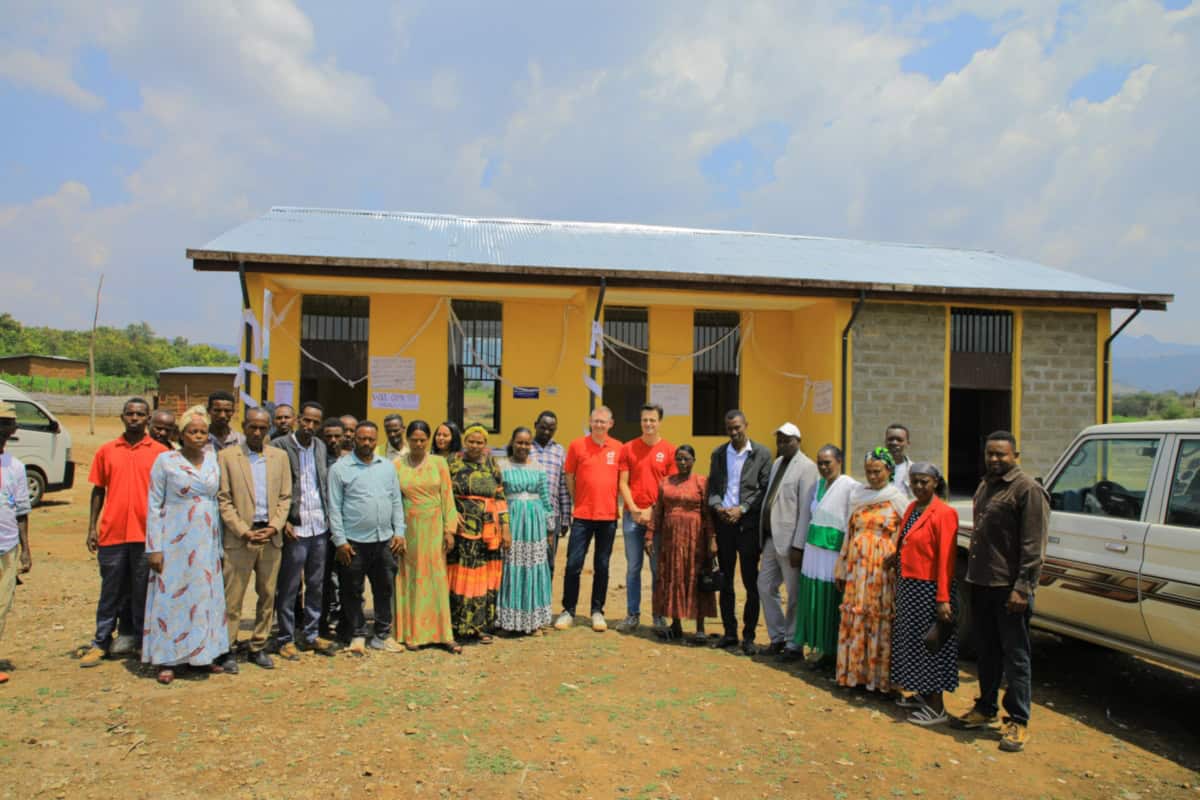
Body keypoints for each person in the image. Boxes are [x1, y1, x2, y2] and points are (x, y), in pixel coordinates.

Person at [955, 431, 1049, 753]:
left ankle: (1018, 721)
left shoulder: (1028, 490)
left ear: (1015, 455)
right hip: (981, 583)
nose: (995, 459)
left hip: (1009, 589)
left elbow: (1034, 547)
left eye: (1001, 455)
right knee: (987, 652)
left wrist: (1023, 587)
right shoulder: (985, 485)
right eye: (990, 454)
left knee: (1016, 657)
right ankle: (985, 708)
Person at [142, 407, 228, 684]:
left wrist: (221, 545)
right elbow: (154, 504)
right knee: (173, 596)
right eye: (193, 432)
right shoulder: (166, 461)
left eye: (203, 432)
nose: (199, 436)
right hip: (174, 539)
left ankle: (203, 655)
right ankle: (168, 659)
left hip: (206, 538)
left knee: (203, 596)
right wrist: (154, 547)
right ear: (182, 435)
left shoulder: (214, 460)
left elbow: (219, 501)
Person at [80, 397, 168, 667]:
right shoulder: (107, 451)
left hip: (146, 536)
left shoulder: (160, 453)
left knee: (143, 593)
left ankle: (143, 644)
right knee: (111, 591)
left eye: (140, 414)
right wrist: (92, 527)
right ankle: (101, 642)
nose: (134, 418)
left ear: (148, 418)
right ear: (122, 417)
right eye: (130, 414)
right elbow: (99, 490)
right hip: (113, 534)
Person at [216, 407, 292, 672]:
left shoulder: (279, 457)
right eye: (252, 427)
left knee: (267, 595)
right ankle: (227, 647)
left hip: (270, 537)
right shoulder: (227, 457)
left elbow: (285, 498)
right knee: (232, 598)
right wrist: (242, 530)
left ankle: (258, 645)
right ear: (244, 426)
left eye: (262, 427)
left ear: (269, 427)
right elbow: (223, 499)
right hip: (240, 539)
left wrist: (274, 527)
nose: (257, 432)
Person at [889, 462, 960, 725]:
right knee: (913, 644)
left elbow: (946, 560)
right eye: (914, 481)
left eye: (924, 482)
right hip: (909, 587)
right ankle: (921, 693)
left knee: (931, 646)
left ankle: (936, 708)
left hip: (930, 590)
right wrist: (894, 558)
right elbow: (906, 542)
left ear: (935, 483)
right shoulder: (911, 508)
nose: (918, 486)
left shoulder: (944, 513)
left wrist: (943, 598)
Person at [328, 421, 406, 654]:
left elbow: (395, 501)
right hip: (353, 543)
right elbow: (334, 507)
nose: (366, 443)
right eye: (362, 438)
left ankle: (382, 634)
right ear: (354, 440)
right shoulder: (340, 468)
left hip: (384, 541)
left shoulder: (387, 466)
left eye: (371, 439)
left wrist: (399, 532)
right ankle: (357, 634)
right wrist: (340, 541)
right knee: (352, 590)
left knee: (384, 589)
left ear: (376, 440)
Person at [834, 447, 908, 692]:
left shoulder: (896, 498)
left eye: (877, 471)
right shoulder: (858, 496)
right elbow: (849, 532)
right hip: (857, 568)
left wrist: (896, 555)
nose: (873, 477)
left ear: (888, 470)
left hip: (881, 571)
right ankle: (854, 675)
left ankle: (878, 680)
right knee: (856, 615)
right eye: (868, 472)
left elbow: (906, 535)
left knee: (877, 618)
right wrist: (841, 565)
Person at [271, 401, 337, 659]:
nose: (310, 426)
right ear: (298, 420)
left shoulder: (320, 446)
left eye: (315, 423)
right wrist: (284, 518)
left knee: (316, 584)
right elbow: (273, 485)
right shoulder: (279, 447)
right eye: (306, 421)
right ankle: (285, 638)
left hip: (319, 526)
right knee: (288, 586)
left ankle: (310, 635)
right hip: (294, 528)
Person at [706, 410, 772, 655]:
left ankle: (749, 636)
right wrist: (718, 507)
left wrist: (742, 509)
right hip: (724, 525)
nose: (734, 433)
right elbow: (713, 488)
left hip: (747, 527)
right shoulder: (719, 454)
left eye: (737, 428)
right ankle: (730, 632)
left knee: (750, 582)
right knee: (725, 581)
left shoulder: (762, 454)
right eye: (729, 429)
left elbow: (763, 489)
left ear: (746, 425)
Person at [393, 420, 460, 654]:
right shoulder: (398, 465)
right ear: (407, 440)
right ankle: (413, 633)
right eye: (414, 440)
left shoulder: (439, 463)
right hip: (409, 528)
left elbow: (447, 498)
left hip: (434, 526)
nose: (419, 444)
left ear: (428, 440)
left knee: (436, 579)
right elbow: (394, 501)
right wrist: (397, 532)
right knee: (412, 579)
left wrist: (449, 530)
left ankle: (443, 634)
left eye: (423, 440)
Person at [554, 406, 622, 633]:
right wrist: (578, 500)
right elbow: (569, 476)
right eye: (596, 421)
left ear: (611, 424)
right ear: (590, 422)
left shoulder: (618, 448)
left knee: (602, 566)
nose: (599, 425)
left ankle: (597, 611)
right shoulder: (577, 445)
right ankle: (567, 610)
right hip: (582, 515)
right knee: (574, 564)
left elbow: (622, 480)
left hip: (608, 516)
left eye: (603, 422)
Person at [790, 445, 859, 668]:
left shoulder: (849, 486)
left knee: (831, 600)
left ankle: (833, 652)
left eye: (827, 462)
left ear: (839, 461)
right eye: (819, 463)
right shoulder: (817, 485)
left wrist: (845, 556)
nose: (823, 467)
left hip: (833, 552)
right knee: (814, 599)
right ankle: (820, 649)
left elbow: (851, 522)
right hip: (813, 552)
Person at [757, 423, 818, 657]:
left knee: (794, 594)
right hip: (772, 538)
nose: (781, 444)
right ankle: (778, 636)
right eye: (779, 440)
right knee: (765, 586)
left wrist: (798, 545)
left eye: (787, 440)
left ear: (798, 441)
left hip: (791, 541)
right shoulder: (776, 463)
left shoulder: (807, 467)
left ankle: (793, 643)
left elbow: (805, 510)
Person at [616, 403, 676, 633]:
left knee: (657, 569)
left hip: (657, 518)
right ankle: (633, 615)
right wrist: (633, 508)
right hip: (632, 518)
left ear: (660, 422)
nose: (648, 424)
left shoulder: (669, 451)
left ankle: (658, 615)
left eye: (652, 420)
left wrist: (652, 510)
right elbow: (623, 482)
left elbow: (669, 487)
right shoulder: (628, 448)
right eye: (644, 420)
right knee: (633, 568)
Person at [447, 425, 509, 643]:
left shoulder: (492, 464)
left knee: (484, 578)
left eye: (479, 442)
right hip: (461, 529)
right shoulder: (453, 463)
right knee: (459, 577)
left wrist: (505, 527)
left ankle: (481, 626)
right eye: (471, 442)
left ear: (485, 444)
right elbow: (444, 493)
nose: (475, 446)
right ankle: (458, 625)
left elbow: (500, 497)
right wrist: (451, 513)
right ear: (465, 442)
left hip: (488, 531)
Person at [648, 445, 716, 644]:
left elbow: (708, 515)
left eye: (686, 459)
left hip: (695, 539)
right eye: (679, 459)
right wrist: (650, 536)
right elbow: (658, 511)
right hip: (670, 541)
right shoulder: (665, 482)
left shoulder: (701, 482)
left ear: (694, 460)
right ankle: (676, 624)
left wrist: (712, 540)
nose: (682, 463)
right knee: (673, 576)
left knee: (696, 578)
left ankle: (700, 628)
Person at [497, 427, 554, 635]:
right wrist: (502, 526)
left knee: (534, 565)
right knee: (511, 566)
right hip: (512, 522)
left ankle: (533, 621)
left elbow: (546, 499)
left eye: (527, 443)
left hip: (534, 524)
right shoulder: (502, 467)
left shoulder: (538, 468)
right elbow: (498, 498)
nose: (523, 446)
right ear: (512, 442)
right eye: (519, 442)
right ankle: (509, 621)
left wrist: (549, 529)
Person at [0, 402, 32, 684]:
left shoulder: (16, 467)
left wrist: (25, 550)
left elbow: (21, 511)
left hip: (7, 547)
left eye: (4, 424)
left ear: (12, 430)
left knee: (1, 605)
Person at [530, 411, 572, 576]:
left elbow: (563, 487)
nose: (546, 432)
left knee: (548, 562)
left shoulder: (560, 451)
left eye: (551, 429)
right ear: (535, 425)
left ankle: (544, 599)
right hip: (527, 514)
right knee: (527, 560)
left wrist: (565, 518)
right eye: (543, 427)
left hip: (551, 516)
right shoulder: (525, 447)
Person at [886, 424, 915, 501]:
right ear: (885, 441)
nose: (894, 443)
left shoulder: (914, 470)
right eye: (891, 439)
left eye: (899, 440)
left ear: (907, 443)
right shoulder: (876, 468)